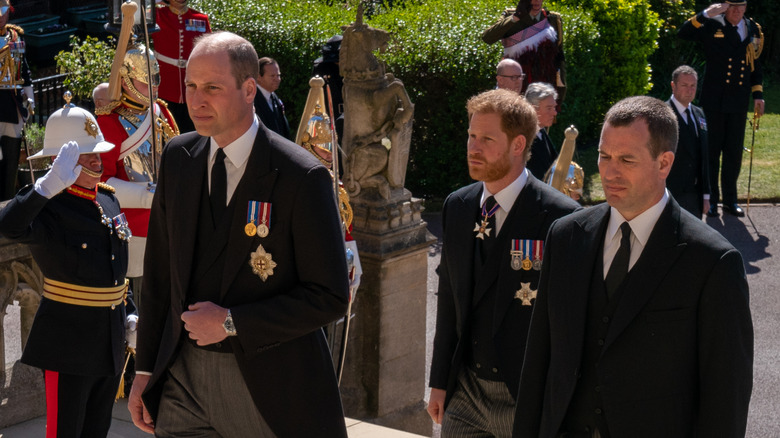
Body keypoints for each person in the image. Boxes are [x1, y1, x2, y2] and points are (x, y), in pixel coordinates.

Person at [128, 31, 350, 437]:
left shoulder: (302, 176)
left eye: (212, 87)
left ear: (250, 90)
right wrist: (145, 370)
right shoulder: (178, 157)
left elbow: (331, 296)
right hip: (180, 380)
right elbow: (160, 275)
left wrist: (233, 322)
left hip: (267, 386)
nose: (196, 100)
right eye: (191, 86)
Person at [512, 96, 753, 438]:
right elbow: (538, 359)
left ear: (664, 163)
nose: (610, 172)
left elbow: (725, 397)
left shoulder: (713, 262)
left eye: (627, 159)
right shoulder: (565, 236)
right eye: (604, 156)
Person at [426, 89, 579, 437]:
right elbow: (449, 297)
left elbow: (570, 323)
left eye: (486, 139)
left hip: (526, 401)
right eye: (471, 136)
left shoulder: (562, 219)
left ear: (517, 144)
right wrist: (439, 381)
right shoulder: (458, 206)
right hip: (465, 395)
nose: (473, 148)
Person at [0, 102, 137, 437]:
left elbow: (114, 267)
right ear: (58, 160)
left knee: (97, 430)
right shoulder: (49, 207)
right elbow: (8, 226)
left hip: (110, 338)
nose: (96, 160)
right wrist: (45, 187)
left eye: (97, 153)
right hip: (69, 344)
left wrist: (129, 313)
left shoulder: (107, 198)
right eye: (85, 155)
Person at [95, 43, 178, 290]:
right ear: (126, 81)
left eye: (155, 79)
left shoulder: (161, 109)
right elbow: (101, 182)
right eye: (145, 81)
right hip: (135, 227)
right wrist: (146, 196)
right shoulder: (108, 121)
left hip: (170, 218)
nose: (153, 86)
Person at [678, 0, 765, 217]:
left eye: (740, 6)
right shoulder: (712, 24)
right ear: (725, 7)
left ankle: (730, 200)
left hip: (738, 100)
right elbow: (683, 33)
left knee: (734, 153)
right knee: (712, 152)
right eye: (732, 6)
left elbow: (755, 64)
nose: (736, 11)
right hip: (714, 99)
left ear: (746, 7)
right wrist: (705, 14)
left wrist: (758, 94)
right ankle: (712, 200)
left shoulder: (753, 28)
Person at [482, 0, 565, 97]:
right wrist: (515, 18)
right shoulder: (510, 15)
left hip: (544, 86)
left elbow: (559, 58)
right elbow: (487, 38)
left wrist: (560, 91)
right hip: (515, 84)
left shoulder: (553, 19)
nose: (536, 1)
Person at [152, 0, 211, 133]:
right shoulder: (157, 15)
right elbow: (136, 11)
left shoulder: (200, 18)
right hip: (165, 85)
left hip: (193, 84)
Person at [0, 0, 34, 200]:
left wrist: (30, 99)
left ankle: (7, 202)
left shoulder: (15, 36)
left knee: (11, 160)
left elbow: (24, 71)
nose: (1, 15)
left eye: (4, 10)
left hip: (12, 105)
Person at [666, 65, 710, 218]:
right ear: (673, 86)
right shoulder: (664, 115)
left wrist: (706, 195)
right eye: (684, 85)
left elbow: (704, 156)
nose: (689, 90)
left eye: (693, 86)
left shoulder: (699, 114)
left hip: (695, 195)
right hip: (671, 194)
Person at [524, 82, 558, 180]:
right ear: (533, 109)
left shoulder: (541, 131)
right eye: (549, 108)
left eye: (554, 107)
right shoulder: (523, 138)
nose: (554, 112)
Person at [254, 57, 291, 139]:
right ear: (258, 77)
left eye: (278, 75)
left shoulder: (274, 98)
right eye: (272, 76)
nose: (277, 79)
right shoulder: (251, 100)